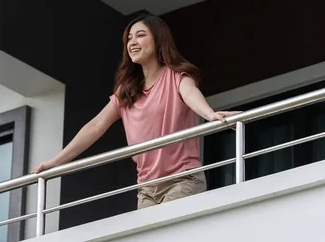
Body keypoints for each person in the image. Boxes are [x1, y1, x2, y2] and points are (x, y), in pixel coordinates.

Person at [33, 14, 240, 209]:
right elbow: (95, 126)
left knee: (168, 240)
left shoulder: (176, 77)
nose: (132, 42)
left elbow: (191, 94)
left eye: (140, 35)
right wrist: (56, 162)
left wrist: (210, 114)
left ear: (159, 40)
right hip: (146, 189)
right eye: (129, 38)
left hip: (182, 179)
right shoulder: (127, 91)